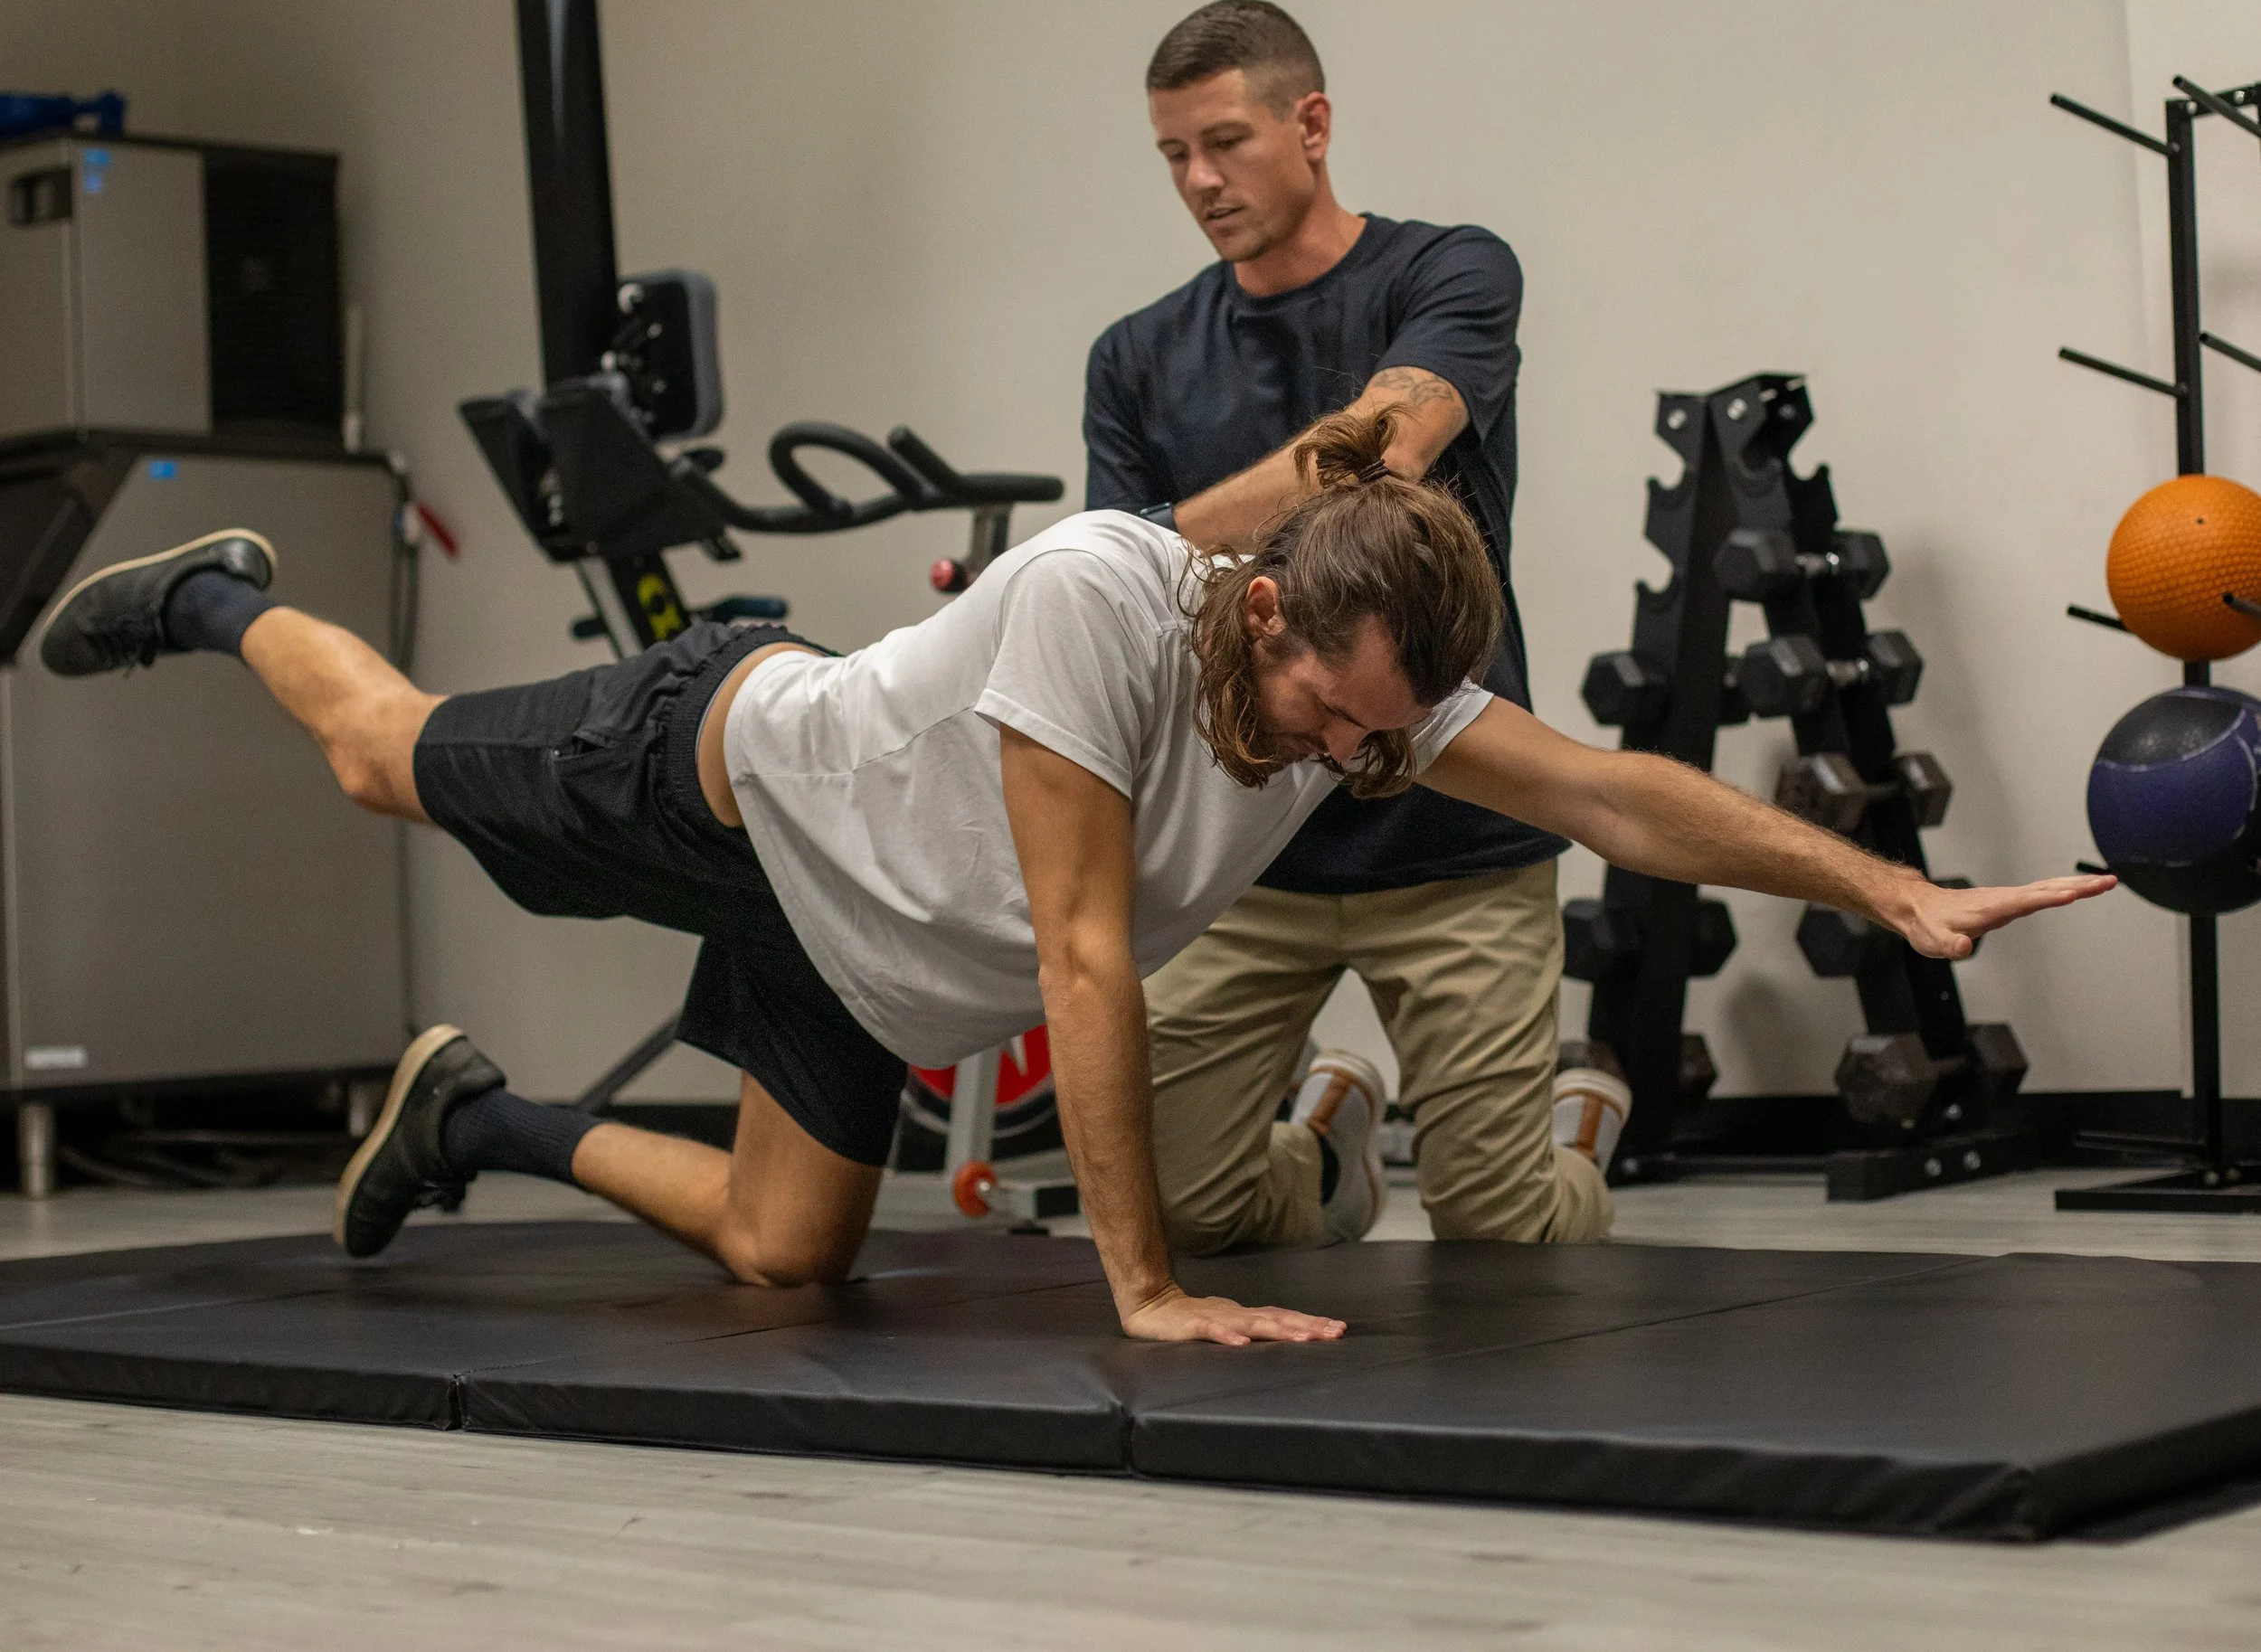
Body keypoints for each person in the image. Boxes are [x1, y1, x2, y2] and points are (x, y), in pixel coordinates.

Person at [34, 415, 2106, 1347]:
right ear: (1270, 601)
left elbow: (1619, 794)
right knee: (378, 753)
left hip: (851, 967)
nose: (1337, 752)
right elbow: (1085, 948)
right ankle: (219, 599)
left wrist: (1882, 892)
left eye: (1375, 733)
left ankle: (469, 1110)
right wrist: (1142, 1282)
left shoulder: (1366, 695)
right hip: (709, 782)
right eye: (1319, 702)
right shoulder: (1105, 596)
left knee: (781, 1254)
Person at [1085, 0, 1588, 1252]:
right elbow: (1122, 587)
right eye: (1173, 155)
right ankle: (1324, 1152)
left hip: (1457, 828)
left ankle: (1575, 1137)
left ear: (1311, 124)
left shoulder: (1450, 271)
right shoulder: (1136, 356)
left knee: (1497, 1230)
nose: (1200, 180)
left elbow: (1385, 450)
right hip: (1245, 852)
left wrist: (1177, 529)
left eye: (1226, 141)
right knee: (1186, 1210)